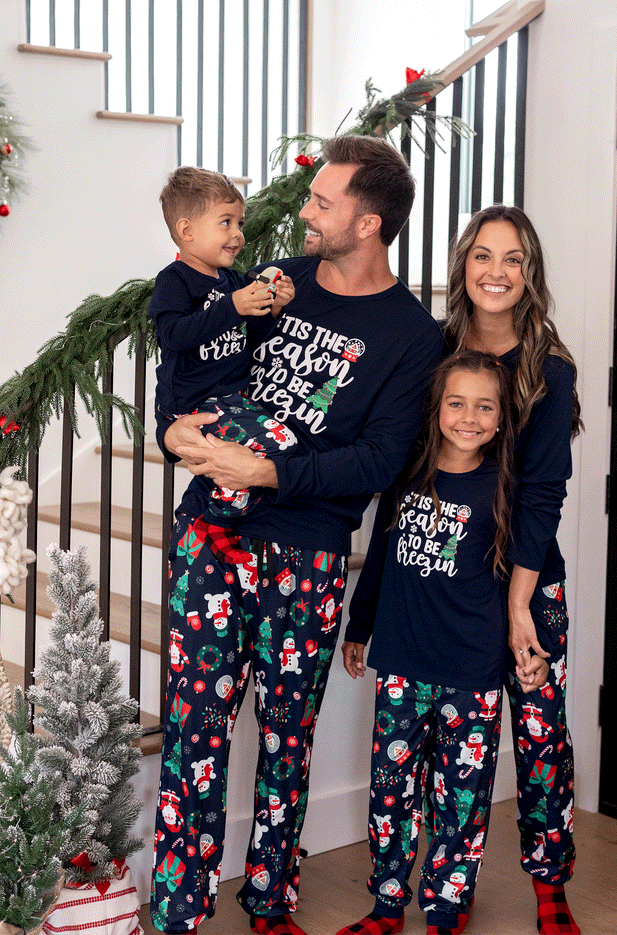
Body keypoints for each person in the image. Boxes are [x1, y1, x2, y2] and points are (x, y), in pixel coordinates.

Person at [149, 135, 445, 935]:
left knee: (287, 737)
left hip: (304, 556)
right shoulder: (275, 282)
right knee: (192, 730)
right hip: (209, 537)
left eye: (323, 201)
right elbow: (191, 371)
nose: (304, 211)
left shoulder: (412, 337)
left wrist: (270, 475)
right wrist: (170, 435)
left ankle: (271, 899)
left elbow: (382, 460)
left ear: (371, 222)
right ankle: (177, 907)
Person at [337, 350, 516, 935]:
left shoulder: (504, 486)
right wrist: (359, 628)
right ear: (436, 408)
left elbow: (519, 576)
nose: (469, 416)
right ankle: (388, 902)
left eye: (484, 406)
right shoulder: (408, 474)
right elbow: (382, 561)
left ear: (501, 415)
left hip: (471, 667)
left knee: (461, 798)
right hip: (402, 663)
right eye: (456, 403)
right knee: (391, 794)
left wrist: (524, 649)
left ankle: (446, 904)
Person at [442, 205, 583, 935]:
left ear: (530, 276)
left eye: (514, 259)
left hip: (528, 580)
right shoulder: (433, 353)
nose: (497, 272)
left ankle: (549, 884)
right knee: (453, 741)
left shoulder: (549, 370)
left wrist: (520, 604)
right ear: (463, 266)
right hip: (448, 582)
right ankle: (450, 888)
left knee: (537, 733)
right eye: (484, 256)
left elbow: (544, 492)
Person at [149, 165, 297, 520]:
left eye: (240, 224)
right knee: (278, 444)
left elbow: (249, 340)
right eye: (226, 222)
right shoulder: (174, 281)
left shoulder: (232, 280)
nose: (238, 235)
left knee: (285, 444)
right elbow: (173, 335)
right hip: (192, 403)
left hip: (233, 399)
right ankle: (222, 506)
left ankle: (229, 499)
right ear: (186, 230)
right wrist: (233, 306)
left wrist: (272, 309)